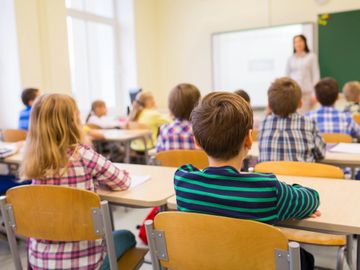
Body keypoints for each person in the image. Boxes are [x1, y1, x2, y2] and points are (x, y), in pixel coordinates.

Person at [174, 92, 319, 269]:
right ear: (249, 140)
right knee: (305, 258)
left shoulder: (183, 181)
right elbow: (312, 199)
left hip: (206, 262)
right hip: (255, 264)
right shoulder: (267, 189)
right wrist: (292, 191)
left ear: (196, 141)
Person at [20, 94, 135, 270]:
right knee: (126, 236)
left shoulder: (32, 161)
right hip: (86, 263)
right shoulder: (82, 155)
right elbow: (123, 182)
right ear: (73, 121)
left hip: (39, 262)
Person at [258, 77, 326, 162]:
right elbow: (321, 154)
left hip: (269, 175)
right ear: (300, 104)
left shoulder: (264, 123)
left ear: (269, 105)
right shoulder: (309, 123)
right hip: (302, 175)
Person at [156, 83, 201, 152]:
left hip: (170, 163)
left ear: (171, 106)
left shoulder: (164, 130)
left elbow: (159, 154)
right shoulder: (201, 131)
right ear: (198, 104)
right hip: (197, 163)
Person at [286, 35, 320, 113]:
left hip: (307, 94)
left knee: (307, 117)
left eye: (300, 41)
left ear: (305, 42)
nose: (298, 44)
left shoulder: (311, 57)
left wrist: (315, 94)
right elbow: (287, 77)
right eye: (296, 42)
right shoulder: (290, 59)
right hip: (293, 94)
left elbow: (316, 75)